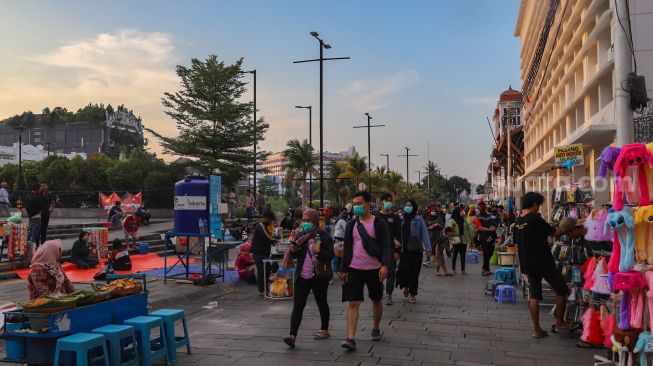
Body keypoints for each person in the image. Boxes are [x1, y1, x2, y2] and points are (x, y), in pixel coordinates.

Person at [513, 192, 577, 338]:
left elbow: (518, 242)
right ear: (534, 203)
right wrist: (567, 224)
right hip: (543, 261)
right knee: (561, 289)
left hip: (527, 263)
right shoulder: (535, 219)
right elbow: (556, 233)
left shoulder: (518, 222)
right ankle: (560, 322)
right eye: (539, 204)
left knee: (535, 295)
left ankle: (536, 330)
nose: (539, 207)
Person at [339, 191, 392, 351]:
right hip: (355, 268)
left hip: (375, 269)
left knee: (376, 299)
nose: (357, 206)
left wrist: (385, 265)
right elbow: (348, 248)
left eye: (359, 203)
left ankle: (375, 327)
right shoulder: (351, 225)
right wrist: (343, 269)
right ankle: (351, 338)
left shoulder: (379, 223)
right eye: (354, 204)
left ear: (369, 204)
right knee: (353, 302)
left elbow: (386, 246)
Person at [284, 208, 334, 348]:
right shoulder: (301, 235)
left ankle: (324, 329)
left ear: (315, 221)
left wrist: (319, 251)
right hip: (303, 276)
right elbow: (295, 256)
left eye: (308, 221)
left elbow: (330, 255)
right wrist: (293, 251)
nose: (305, 223)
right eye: (304, 220)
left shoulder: (324, 236)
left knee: (321, 303)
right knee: (298, 306)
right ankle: (292, 335)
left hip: (319, 276)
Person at [396, 199, 431, 303]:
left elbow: (424, 234)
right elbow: (396, 234)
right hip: (404, 250)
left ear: (414, 207)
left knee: (415, 272)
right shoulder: (401, 219)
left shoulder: (419, 219)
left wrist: (428, 248)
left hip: (416, 250)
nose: (408, 207)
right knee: (404, 270)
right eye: (406, 205)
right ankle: (406, 286)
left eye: (410, 205)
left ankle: (413, 294)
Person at [377, 193, 402, 305]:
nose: (388, 202)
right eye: (386, 200)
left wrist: (397, 251)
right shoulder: (376, 217)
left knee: (391, 272)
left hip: (391, 249)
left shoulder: (395, 217)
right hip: (378, 249)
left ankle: (388, 294)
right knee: (377, 271)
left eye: (390, 200)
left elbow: (398, 235)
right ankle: (380, 288)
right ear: (381, 201)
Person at [251, 210, 277, 295]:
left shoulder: (264, 226)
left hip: (264, 252)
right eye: (270, 220)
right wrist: (276, 240)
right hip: (258, 253)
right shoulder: (260, 225)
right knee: (262, 271)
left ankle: (265, 289)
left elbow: (269, 237)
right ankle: (262, 291)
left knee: (267, 270)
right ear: (266, 218)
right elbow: (267, 237)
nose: (271, 222)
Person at [474, 201, 498, 276]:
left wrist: (494, 227)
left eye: (483, 205)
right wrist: (489, 229)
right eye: (480, 206)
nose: (482, 207)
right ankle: (484, 269)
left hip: (492, 236)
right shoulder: (477, 216)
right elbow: (479, 227)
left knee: (490, 253)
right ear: (478, 207)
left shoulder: (490, 215)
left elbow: (494, 222)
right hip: (483, 237)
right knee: (486, 254)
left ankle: (487, 269)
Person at [449, 206, 473, 275]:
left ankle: (463, 270)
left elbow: (469, 230)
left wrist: (471, 241)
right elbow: (448, 229)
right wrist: (451, 231)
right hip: (455, 239)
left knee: (463, 255)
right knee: (455, 255)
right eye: (461, 211)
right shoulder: (452, 220)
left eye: (462, 211)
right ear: (457, 212)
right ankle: (453, 269)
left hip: (464, 239)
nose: (462, 212)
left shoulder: (464, 220)